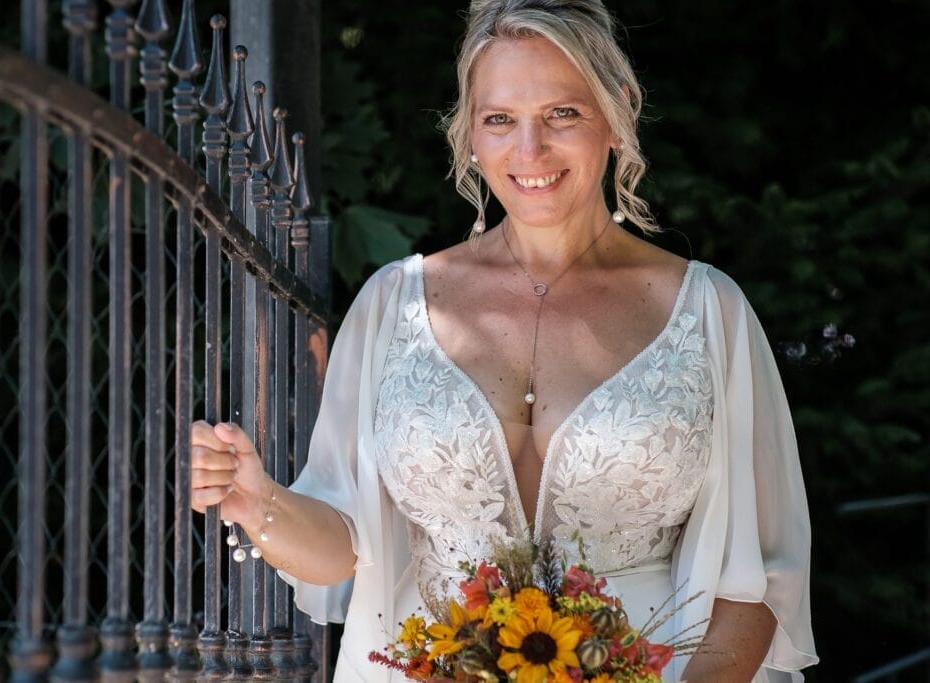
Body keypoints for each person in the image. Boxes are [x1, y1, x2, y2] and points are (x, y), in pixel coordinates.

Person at [190, 1, 819, 680]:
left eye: (562, 114)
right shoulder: (390, 308)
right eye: (500, 120)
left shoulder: (708, 311)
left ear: (616, 114)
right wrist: (261, 505)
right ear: (469, 137)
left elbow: (758, 582)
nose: (530, 151)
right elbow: (346, 546)